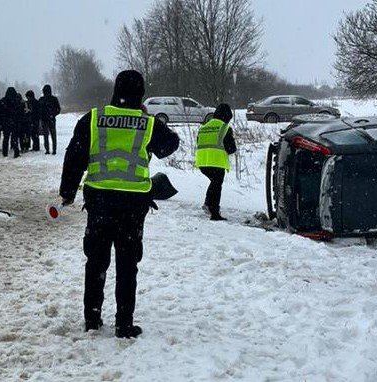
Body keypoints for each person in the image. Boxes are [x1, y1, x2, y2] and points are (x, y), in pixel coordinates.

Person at [60, 70, 180, 339]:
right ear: (141, 94)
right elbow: (171, 144)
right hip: (132, 206)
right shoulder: (147, 123)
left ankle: (92, 318)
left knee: (96, 262)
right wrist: (145, 121)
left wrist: (67, 191)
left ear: (115, 91)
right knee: (127, 264)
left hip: (100, 202)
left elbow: (75, 155)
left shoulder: (93, 119)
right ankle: (124, 324)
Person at [194, 104, 237, 221]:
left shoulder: (204, 127)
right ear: (227, 116)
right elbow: (231, 148)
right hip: (216, 162)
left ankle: (208, 204)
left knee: (214, 183)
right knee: (217, 185)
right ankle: (214, 213)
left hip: (202, 162)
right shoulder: (224, 128)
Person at [0, 87, 25, 158]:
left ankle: (5, 153)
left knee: (6, 138)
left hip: (5, 122)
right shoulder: (17, 101)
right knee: (15, 138)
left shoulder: (2, 101)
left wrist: (1, 122)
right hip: (15, 122)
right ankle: (16, 152)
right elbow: (21, 112)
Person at [38, 85, 61, 155]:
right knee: (53, 135)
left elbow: (38, 109)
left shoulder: (41, 99)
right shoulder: (54, 99)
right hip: (51, 119)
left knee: (46, 135)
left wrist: (41, 116)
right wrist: (53, 114)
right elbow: (58, 109)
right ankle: (54, 150)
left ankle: (47, 150)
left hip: (45, 120)